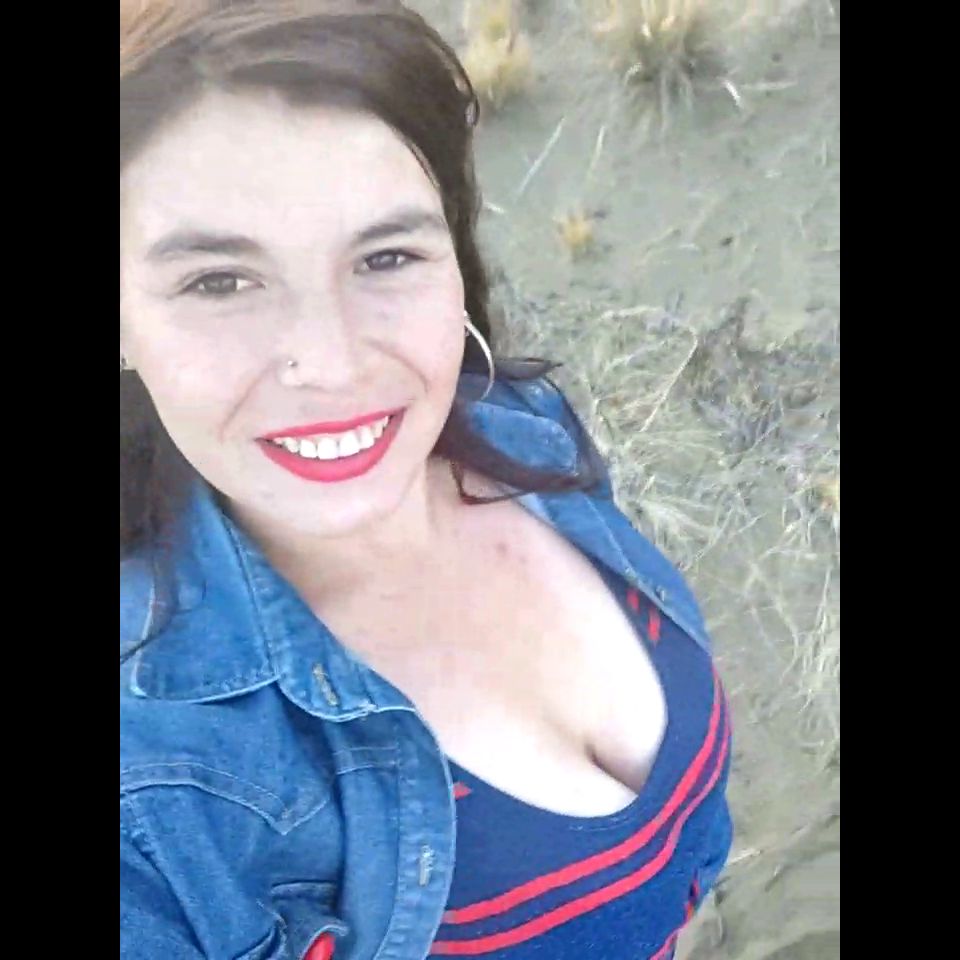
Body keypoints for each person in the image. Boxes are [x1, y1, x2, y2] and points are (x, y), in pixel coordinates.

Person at [119, 3, 733, 958]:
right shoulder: (148, 785)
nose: (331, 364)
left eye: (387, 256)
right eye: (219, 282)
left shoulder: (522, 428)